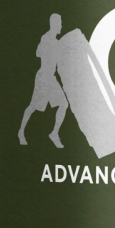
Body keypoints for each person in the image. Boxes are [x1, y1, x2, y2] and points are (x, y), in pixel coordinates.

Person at [18, 13, 68, 148]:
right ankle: (21, 131)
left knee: (64, 104)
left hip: (51, 78)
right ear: (54, 24)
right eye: (60, 23)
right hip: (43, 78)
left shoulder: (54, 41)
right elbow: (40, 54)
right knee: (33, 106)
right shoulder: (46, 39)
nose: (61, 26)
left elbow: (38, 53)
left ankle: (54, 133)